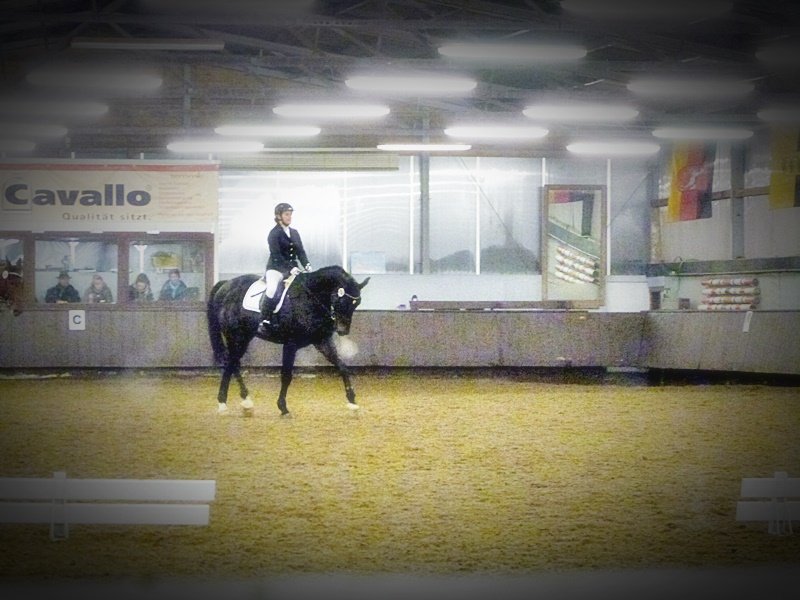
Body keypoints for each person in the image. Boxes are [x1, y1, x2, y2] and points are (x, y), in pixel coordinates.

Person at [258, 202, 312, 336]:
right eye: (287, 214)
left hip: (294, 269)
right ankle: (264, 319)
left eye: (290, 214)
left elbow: (300, 251)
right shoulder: (273, 234)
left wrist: (306, 264)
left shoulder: (294, 232)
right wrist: (290, 268)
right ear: (279, 216)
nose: (289, 217)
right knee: (271, 289)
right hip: (276, 269)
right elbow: (277, 255)